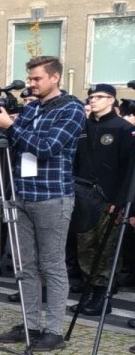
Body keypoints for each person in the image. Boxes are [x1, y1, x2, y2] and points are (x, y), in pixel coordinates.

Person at [0, 57, 85, 349]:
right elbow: (16, 143)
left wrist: (10, 126)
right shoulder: (32, 108)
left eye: (37, 79)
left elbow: (45, 147)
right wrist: (3, 124)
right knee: (24, 264)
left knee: (51, 264)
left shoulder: (72, 109)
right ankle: (29, 324)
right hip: (22, 194)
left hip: (52, 196)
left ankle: (53, 331)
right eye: (29, 79)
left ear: (55, 78)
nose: (31, 84)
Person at [71, 84, 134, 316]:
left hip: (110, 200)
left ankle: (103, 296)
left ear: (111, 100)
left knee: (105, 248)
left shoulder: (123, 129)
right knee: (85, 245)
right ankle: (89, 291)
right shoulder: (83, 127)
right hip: (83, 196)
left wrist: (122, 203)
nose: (93, 101)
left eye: (99, 97)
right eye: (90, 97)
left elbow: (129, 172)